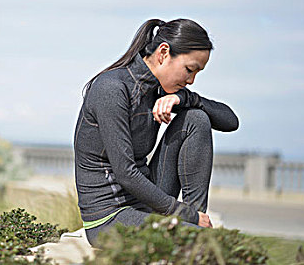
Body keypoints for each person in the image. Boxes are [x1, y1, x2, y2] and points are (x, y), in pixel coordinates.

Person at [73, 18, 239, 247]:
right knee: (202, 242)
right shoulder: (111, 89)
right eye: (189, 70)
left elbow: (231, 121)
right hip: (109, 219)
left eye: (197, 73)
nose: (191, 80)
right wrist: (184, 215)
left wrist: (184, 98)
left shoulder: (159, 92)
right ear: (163, 53)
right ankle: (193, 225)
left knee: (195, 118)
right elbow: (126, 173)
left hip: (144, 203)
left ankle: (196, 222)